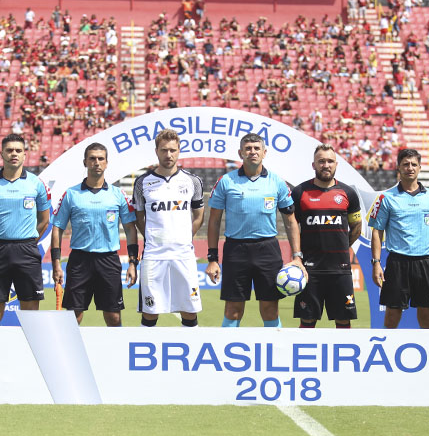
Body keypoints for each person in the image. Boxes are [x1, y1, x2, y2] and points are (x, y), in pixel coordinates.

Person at [205, 133, 305, 327]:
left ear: (264, 152)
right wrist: (212, 258)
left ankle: (274, 354)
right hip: (236, 249)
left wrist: (297, 256)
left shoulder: (277, 182)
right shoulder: (226, 181)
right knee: (233, 310)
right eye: (248, 148)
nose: (252, 152)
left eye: (256, 148)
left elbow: (291, 221)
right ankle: (228, 354)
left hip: (267, 249)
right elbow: (214, 221)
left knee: (270, 309)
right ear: (240, 153)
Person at [50, 143, 138, 327]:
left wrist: (132, 263)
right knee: (74, 315)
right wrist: (56, 264)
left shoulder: (118, 194)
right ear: (85, 162)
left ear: (106, 163)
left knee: (113, 316)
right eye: (92, 158)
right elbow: (57, 227)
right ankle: (70, 354)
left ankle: (115, 353)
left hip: (108, 260)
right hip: (80, 261)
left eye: (100, 159)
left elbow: (130, 228)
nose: (96, 162)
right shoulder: (71, 194)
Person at [369, 148, 429, 329]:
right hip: (398, 262)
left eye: (414, 164)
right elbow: (377, 232)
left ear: (420, 168)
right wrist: (376, 262)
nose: (410, 168)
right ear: (398, 167)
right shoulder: (386, 198)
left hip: (426, 262)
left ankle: (428, 348)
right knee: (392, 312)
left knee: (426, 311)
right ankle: (388, 348)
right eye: (405, 164)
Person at [132, 130, 204, 327]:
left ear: (179, 151)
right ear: (156, 151)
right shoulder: (142, 183)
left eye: (173, 150)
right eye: (164, 150)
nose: (168, 154)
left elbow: (199, 216)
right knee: (150, 312)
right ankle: (144, 357)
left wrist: (183, 237)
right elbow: (139, 217)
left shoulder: (193, 181)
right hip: (154, 256)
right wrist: (154, 237)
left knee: (189, 311)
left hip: (184, 255)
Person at [0, 134, 51, 325]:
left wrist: (27, 242)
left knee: (30, 315)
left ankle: (29, 354)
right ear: (1, 153)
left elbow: (44, 220)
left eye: (18, 150)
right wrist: (4, 235)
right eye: (9, 150)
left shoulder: (36, 183)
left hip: (27, 250)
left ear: (25, 155)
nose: (14, 154)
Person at [291, 144, 361, 328]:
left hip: (340, 269)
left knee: (343, 321)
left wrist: (341, 248)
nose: (326, 165)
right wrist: (298, 255)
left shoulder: (348, 193)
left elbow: (357, 227)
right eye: (321, 161)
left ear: (336, 164)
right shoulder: (299, 192)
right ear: (313, 165)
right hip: (309, 270)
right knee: (307, 321)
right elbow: (292, 227)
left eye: (330, 161)